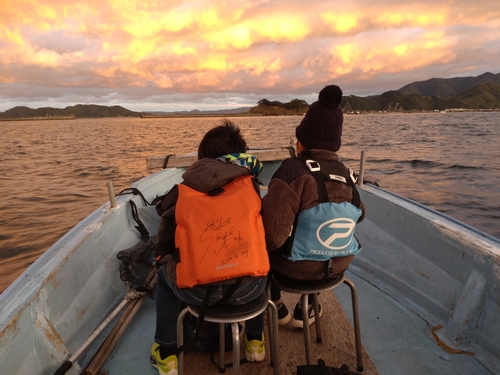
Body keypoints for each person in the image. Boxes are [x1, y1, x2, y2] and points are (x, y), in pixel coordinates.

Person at [150, 120, 269, 375]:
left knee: (163, 277)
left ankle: (166, 352)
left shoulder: (182, 190)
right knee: (261, 267)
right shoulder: (252, 186)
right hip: (247, 291)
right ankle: (255, 341)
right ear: (240, 156)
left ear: (203, 156)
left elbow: (165, 244)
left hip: (197, 294)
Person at [261, 84, 366, 328]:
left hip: (293, 270)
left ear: (302, 141)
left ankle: (275, 304)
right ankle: (307, 306)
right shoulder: (346, 175)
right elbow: (360, 213)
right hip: (338, 265)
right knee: (319, 238)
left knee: (265, 246)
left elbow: (272, 236)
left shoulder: (292, 172)